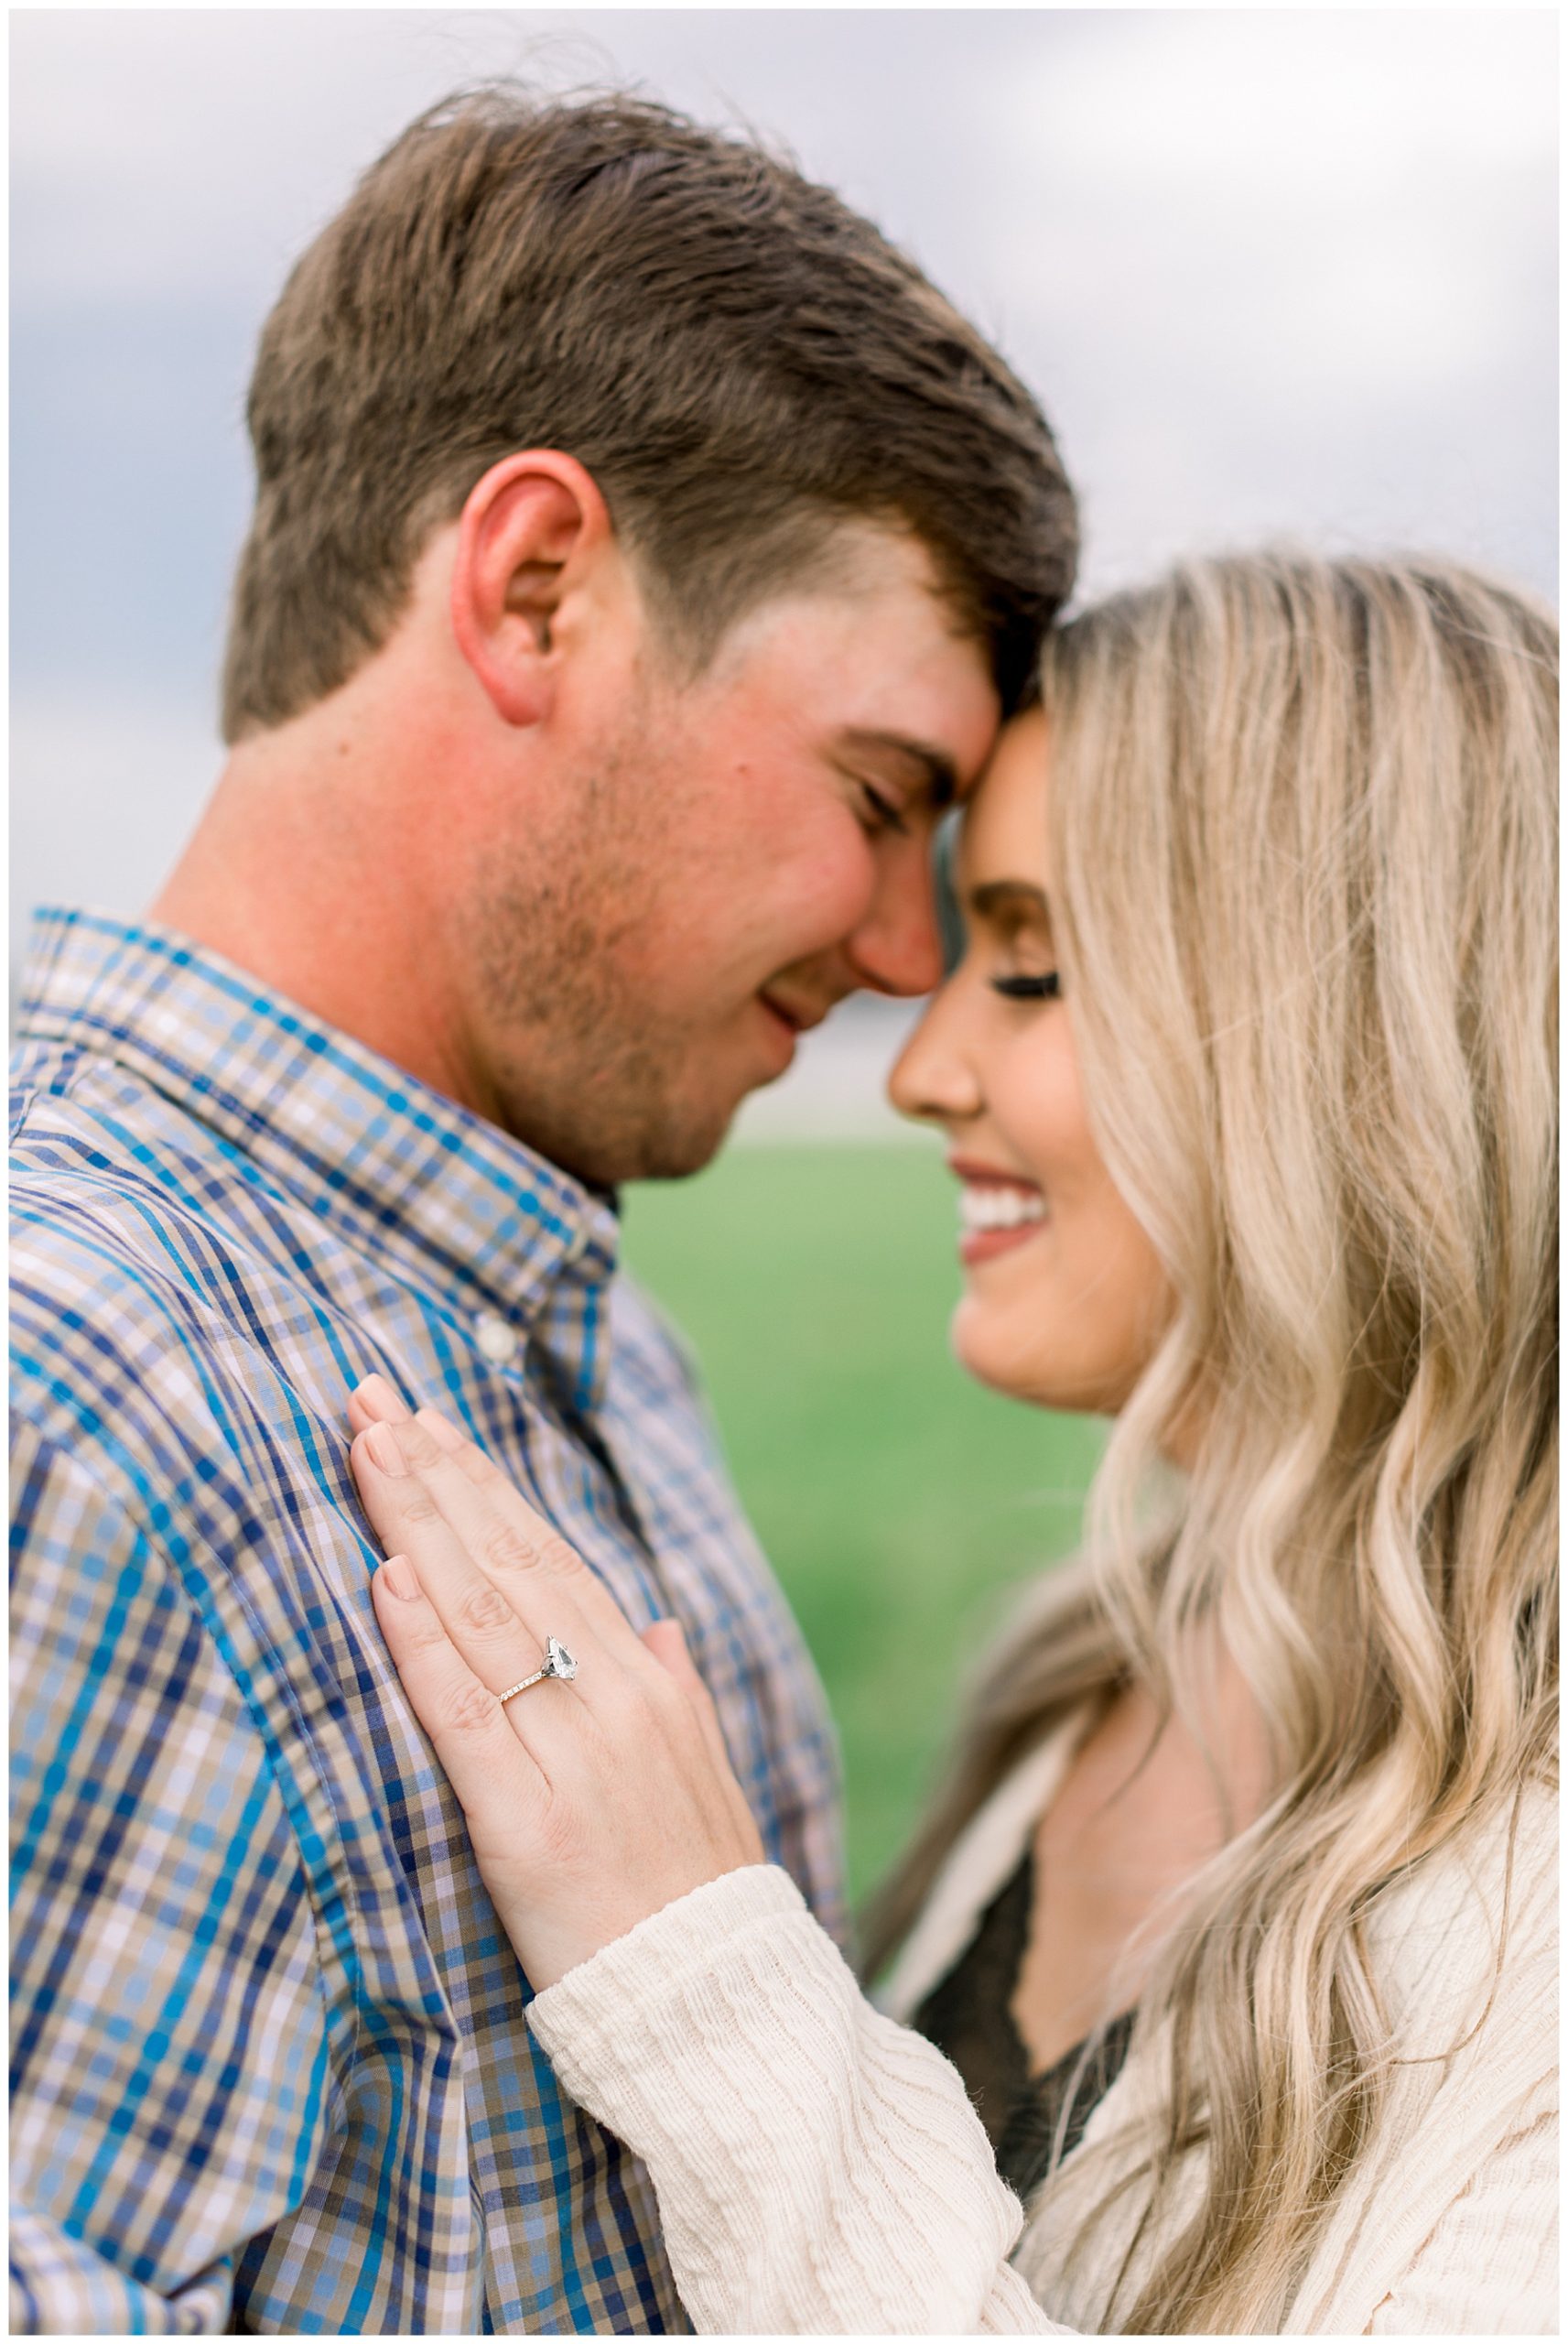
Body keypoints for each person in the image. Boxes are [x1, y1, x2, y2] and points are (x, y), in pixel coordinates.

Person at [8, 85, 1077, 2333]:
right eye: (876, 796)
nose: (905, 955)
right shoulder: (70, 1388)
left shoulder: (580, 1339)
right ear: (533, 587)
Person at [351, 551, 1558, 2335]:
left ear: (1342, 1055)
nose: (918, 1067)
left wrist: (701, 1975)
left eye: (1032, 965)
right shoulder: (1075, 1686)